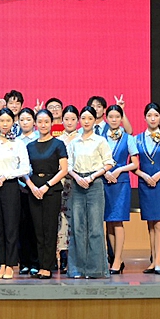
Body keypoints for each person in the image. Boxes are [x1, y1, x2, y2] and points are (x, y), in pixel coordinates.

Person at [66, 106, 114, 279]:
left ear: (95, 120)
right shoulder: (74, 142)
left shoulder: (100, 141)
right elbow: (68, 165)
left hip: (95, 183)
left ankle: (96, 269)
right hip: (77, 183)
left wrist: (92, 177)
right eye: (84, 118)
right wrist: (77, 177)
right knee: (77, 227)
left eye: (90, 119)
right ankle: (77, 269)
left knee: (95, 227)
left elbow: (109, 163)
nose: (86, 121)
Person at [133, 103, 160, 275]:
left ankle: (159, 261)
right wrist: (144, 176)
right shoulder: (137, 139)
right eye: (149, 116)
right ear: (144, 118)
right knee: (151, 224)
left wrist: (159, 175)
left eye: (156, 116)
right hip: (146, 185)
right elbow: (133, 165)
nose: (153, 119)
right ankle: (153, 261)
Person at [25, 109, 68, 279]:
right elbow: (24, 170)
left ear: (51, 123)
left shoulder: (58, 144)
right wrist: (32, 186)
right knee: (37, 229)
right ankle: (40, 265)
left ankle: (48, 267)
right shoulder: (30, 146)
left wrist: (47, 186)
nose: (43, 125)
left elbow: (63, 169)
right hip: (34, 190)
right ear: (35, 124)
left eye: (46, 122)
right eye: (40, 122)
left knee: (50, 229)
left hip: (52, 190)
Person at [0, 108, 29, 279]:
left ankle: (10, 264)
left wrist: (6, 176)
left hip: (10, 186)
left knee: (11, 226)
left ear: (13, 122)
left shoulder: (18, 143)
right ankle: (1, 264)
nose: (4, 124)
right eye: (1, 121)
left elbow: (25, 168)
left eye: (8, 121)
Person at [102, 104, 136, 274]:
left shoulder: (128, 138)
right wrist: (105, 172)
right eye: (111, 117)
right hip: (104, 181)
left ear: (121, 118)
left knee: (118, 220)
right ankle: (115, 258)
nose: (114, 120)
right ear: (106, 118)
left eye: (117, 117)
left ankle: (118, 259)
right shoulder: (100, 137)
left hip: (121, 182)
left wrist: (119, 170)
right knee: (109, 221)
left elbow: (135, 163)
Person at [56, 105, 80, 274]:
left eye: (73, 119)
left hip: (79, 182)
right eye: (66, 119)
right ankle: (63, 256)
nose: (70, 122)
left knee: (77, 218)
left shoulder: (82, 137)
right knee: (62, 218)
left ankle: (77, 257)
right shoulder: (57, 140)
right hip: (62, 182)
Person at [15, 107, 39, 275]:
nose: (25, 123)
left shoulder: (39, 138)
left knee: (35, 226)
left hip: (37, 187)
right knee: (21, 226)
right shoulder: (15, 141)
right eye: (22, 120)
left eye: (28, 119)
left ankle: (36, 261)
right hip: (19, 187)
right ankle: (23, 262)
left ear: (34, 122)